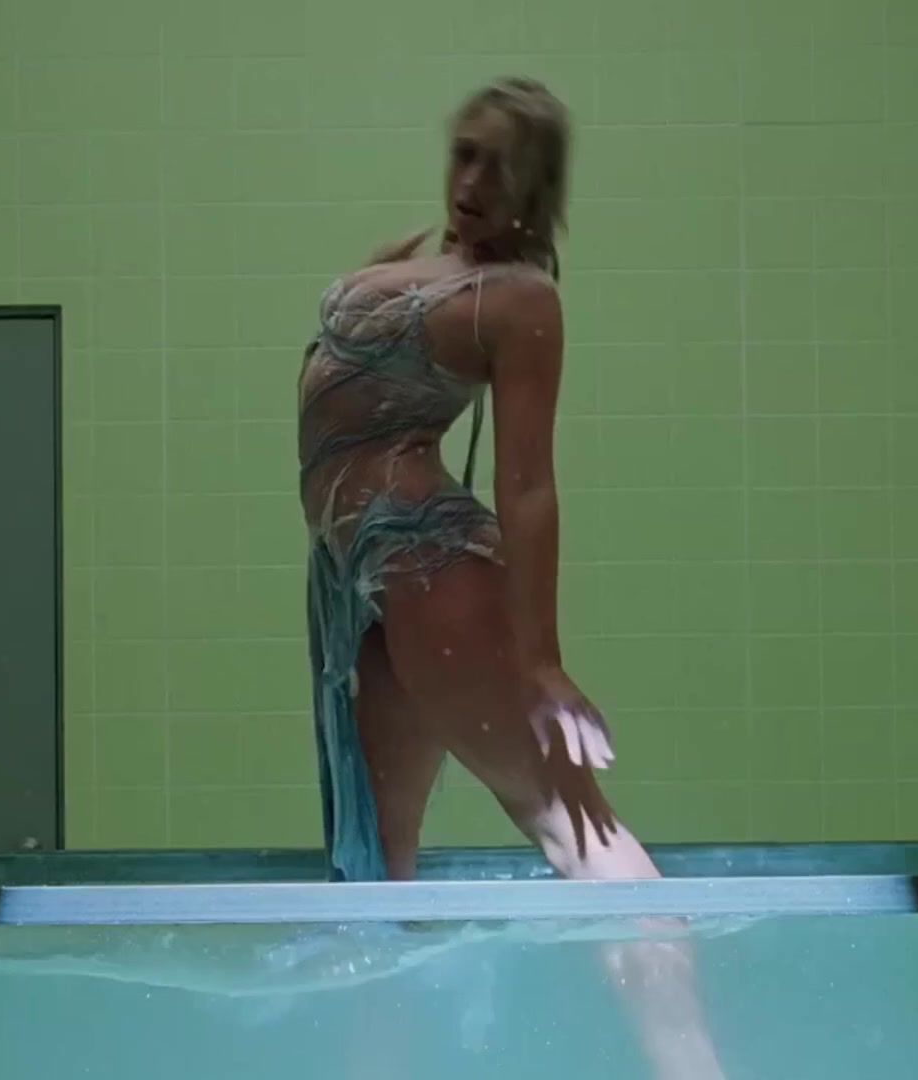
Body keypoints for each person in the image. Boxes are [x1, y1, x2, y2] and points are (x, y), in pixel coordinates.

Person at [296, 76, 730, 1080]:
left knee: (580, 836)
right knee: (375, 892)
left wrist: (541, 663)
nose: (476, 182)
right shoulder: (428, 264)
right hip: (359, 586)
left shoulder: (522, 300)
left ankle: (692, 1060)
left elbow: (528, 485)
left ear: (539, 188)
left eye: (504, 166)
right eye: (466, 154)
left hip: (427, 561)